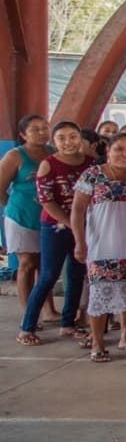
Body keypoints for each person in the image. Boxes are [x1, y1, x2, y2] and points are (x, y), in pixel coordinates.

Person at [69, 133, 126, 361]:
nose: (124, 154)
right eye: (118, 149)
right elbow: (77, 210)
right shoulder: (93, 175)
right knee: (99, 293)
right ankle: (98, 343)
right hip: (102, 244)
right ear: (108, 151)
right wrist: (80, 241)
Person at [17, 121, 91, 347]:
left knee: (77, 274)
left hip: (85, 227)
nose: (68, 142)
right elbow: (47, 202)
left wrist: (81, 228)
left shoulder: (90, 164)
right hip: (56, 227)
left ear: (80, 138)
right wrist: (72, 224)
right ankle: (27, 327)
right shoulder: (48, 165)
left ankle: (68, 323)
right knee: (49, 275)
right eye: (61, 138)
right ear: (54, 141)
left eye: (72, 136)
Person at [1, 115, 53, 329]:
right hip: (21, 217)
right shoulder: (15, 156)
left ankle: (49, 310)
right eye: (34, 129)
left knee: (46, 265)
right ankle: (28, 311)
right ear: (23, 134)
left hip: (48, 217)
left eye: (44, 128)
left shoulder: (54, 153)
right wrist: (13, 208)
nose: (41, 132)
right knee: (27, 263)